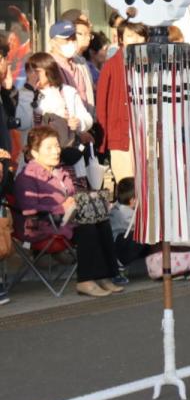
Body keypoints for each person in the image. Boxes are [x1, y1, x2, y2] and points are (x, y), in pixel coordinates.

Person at [16, 126, 123, 298]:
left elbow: (73, 198)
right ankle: (85, 280)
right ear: (35, 153)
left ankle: (104, 274)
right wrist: (61, 208)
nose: (56, 151)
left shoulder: (61, 172)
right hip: (41, 225)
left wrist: (78, 202)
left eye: (57, 146)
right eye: (49, 148)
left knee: (101, 221)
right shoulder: (27, 177)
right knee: (87, 227)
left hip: (66, 220)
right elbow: (29, 209)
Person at [96, 21, 148, 184]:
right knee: (127, 186)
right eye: (130, 35)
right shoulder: (111, 66)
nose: (135, 39)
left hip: (148, 132)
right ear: (121, 39)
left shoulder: (153, 64)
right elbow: (102, 104)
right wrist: (103, 139)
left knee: (151, 185)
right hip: (121, 134)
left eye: (140, 35)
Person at [48, 19, 94, 113]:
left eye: (73, 38)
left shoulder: (78, 65)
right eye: (66, 39)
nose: (71, 42)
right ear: (53, 42)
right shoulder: (49, 66)